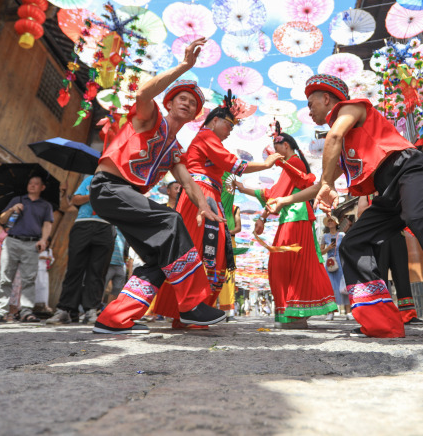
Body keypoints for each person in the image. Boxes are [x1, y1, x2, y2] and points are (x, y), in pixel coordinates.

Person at [267, 74, 423, 343]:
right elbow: (322, 182)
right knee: (353, 243)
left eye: (310, 104)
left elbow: (333, 141)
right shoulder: (341, 145)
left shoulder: (352, 108)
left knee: (420, 218)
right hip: (388, 191)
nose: (309, 111)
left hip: (409, 170)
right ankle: (381, 323)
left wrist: (326, 184)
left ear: (326, 98)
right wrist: (286, 200)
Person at [91, 37, 227, 335]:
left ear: (194, 115)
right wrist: (185, 65)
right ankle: (191, 304)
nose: (188, 103)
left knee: (157, 258)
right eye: (183, 98)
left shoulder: (175, 149)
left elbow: (188, 182)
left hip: (124, 196)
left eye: (193, 103)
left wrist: (205, 209)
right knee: (171, 219)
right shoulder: (149, 117)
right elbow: (142, 93)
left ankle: (114, 319)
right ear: (169, 102)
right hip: (108, 187)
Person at [152, 91, 283, 328]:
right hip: (201, 195)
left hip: (206, 195)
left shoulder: (207, 140)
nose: (230, 131)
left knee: (203, 250)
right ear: (214, 120)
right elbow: (233, 164)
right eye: (229, 125)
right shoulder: (206, 136)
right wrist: (266, 164)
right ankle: (190, 309)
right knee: (202, 250)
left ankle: (186, 313)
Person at [238, 124, 336, 328]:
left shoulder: (294, 162)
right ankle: (294, 313)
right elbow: (274, 193)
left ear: (286, 145)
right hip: (291, 218)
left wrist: (262, 218)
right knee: (288, 264)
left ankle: (297, 313)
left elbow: (277, 194)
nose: (275, 152)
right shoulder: (291, 165)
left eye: (277, 147)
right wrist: (244, 189)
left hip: (296, 218)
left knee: (285, 264)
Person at [45, 175, 114, 326]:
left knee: (98, 270)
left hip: (106, 225)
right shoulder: (90, 179)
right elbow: (75, 200)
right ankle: (64, 310)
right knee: (74, 268)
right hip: (83, 224)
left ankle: (91, 310)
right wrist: (92, 195)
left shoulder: (118, 182)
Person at [0, 175, 54, 323]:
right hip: (12, 241)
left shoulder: (45, 205)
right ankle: (1, 312)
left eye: (36, 183)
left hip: (32, 243)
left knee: (29, 279)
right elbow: (2, 219)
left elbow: (47, 224)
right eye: (30, 183)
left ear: (42, 187)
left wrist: (43, 240)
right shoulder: (17, 200)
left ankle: (26, 312)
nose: (32, 185)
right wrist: (12, 209)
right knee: (5, 277)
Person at [358, 195, 422, 325]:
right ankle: (381, 313)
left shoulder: (394, 190)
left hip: (397, 233)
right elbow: (360, 213)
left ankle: (407, 314)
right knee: (379, 273)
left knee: (402, 273)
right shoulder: (366, 194)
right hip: (378, 235)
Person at [217, 173, 242, 323]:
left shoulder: (235, 208)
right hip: (214, 240)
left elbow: (238, 227)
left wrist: (227, 232)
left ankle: (229, 312)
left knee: (229, 276)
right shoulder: (212, 204)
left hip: (229, 242)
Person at [320, 215, 350, 320]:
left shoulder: (342, 235)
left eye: (332, 221)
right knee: (330, 287)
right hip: (330, 263)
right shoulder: (324, 237)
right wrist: (328, 248)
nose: (330, 222)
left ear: (336, 223)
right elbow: (320, 252)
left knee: (344, 287)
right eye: (328, 221)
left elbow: (347, 248)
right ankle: (330, 312)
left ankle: (348, 312)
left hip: (341, 262)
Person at [104, 231, 128, 305]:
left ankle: (108, 309)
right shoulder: (111, 229)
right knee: (101, 288)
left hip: (120, 265)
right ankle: (96, 308)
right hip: (108, 263)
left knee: (117, 290)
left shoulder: (124, 233)